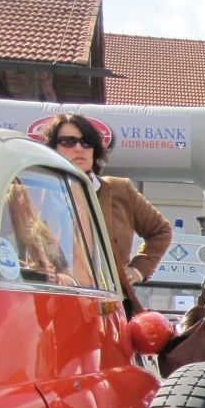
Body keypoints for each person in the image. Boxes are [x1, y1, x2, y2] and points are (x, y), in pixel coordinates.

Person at [43, 113, 173, 305]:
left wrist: (138, 270)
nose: (79, 148)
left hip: (109, 304)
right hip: (53, 300)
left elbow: (161, 231)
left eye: (86, 141)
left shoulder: (119, 189)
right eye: (68, 142)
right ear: (52, 148)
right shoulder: (36, 193)